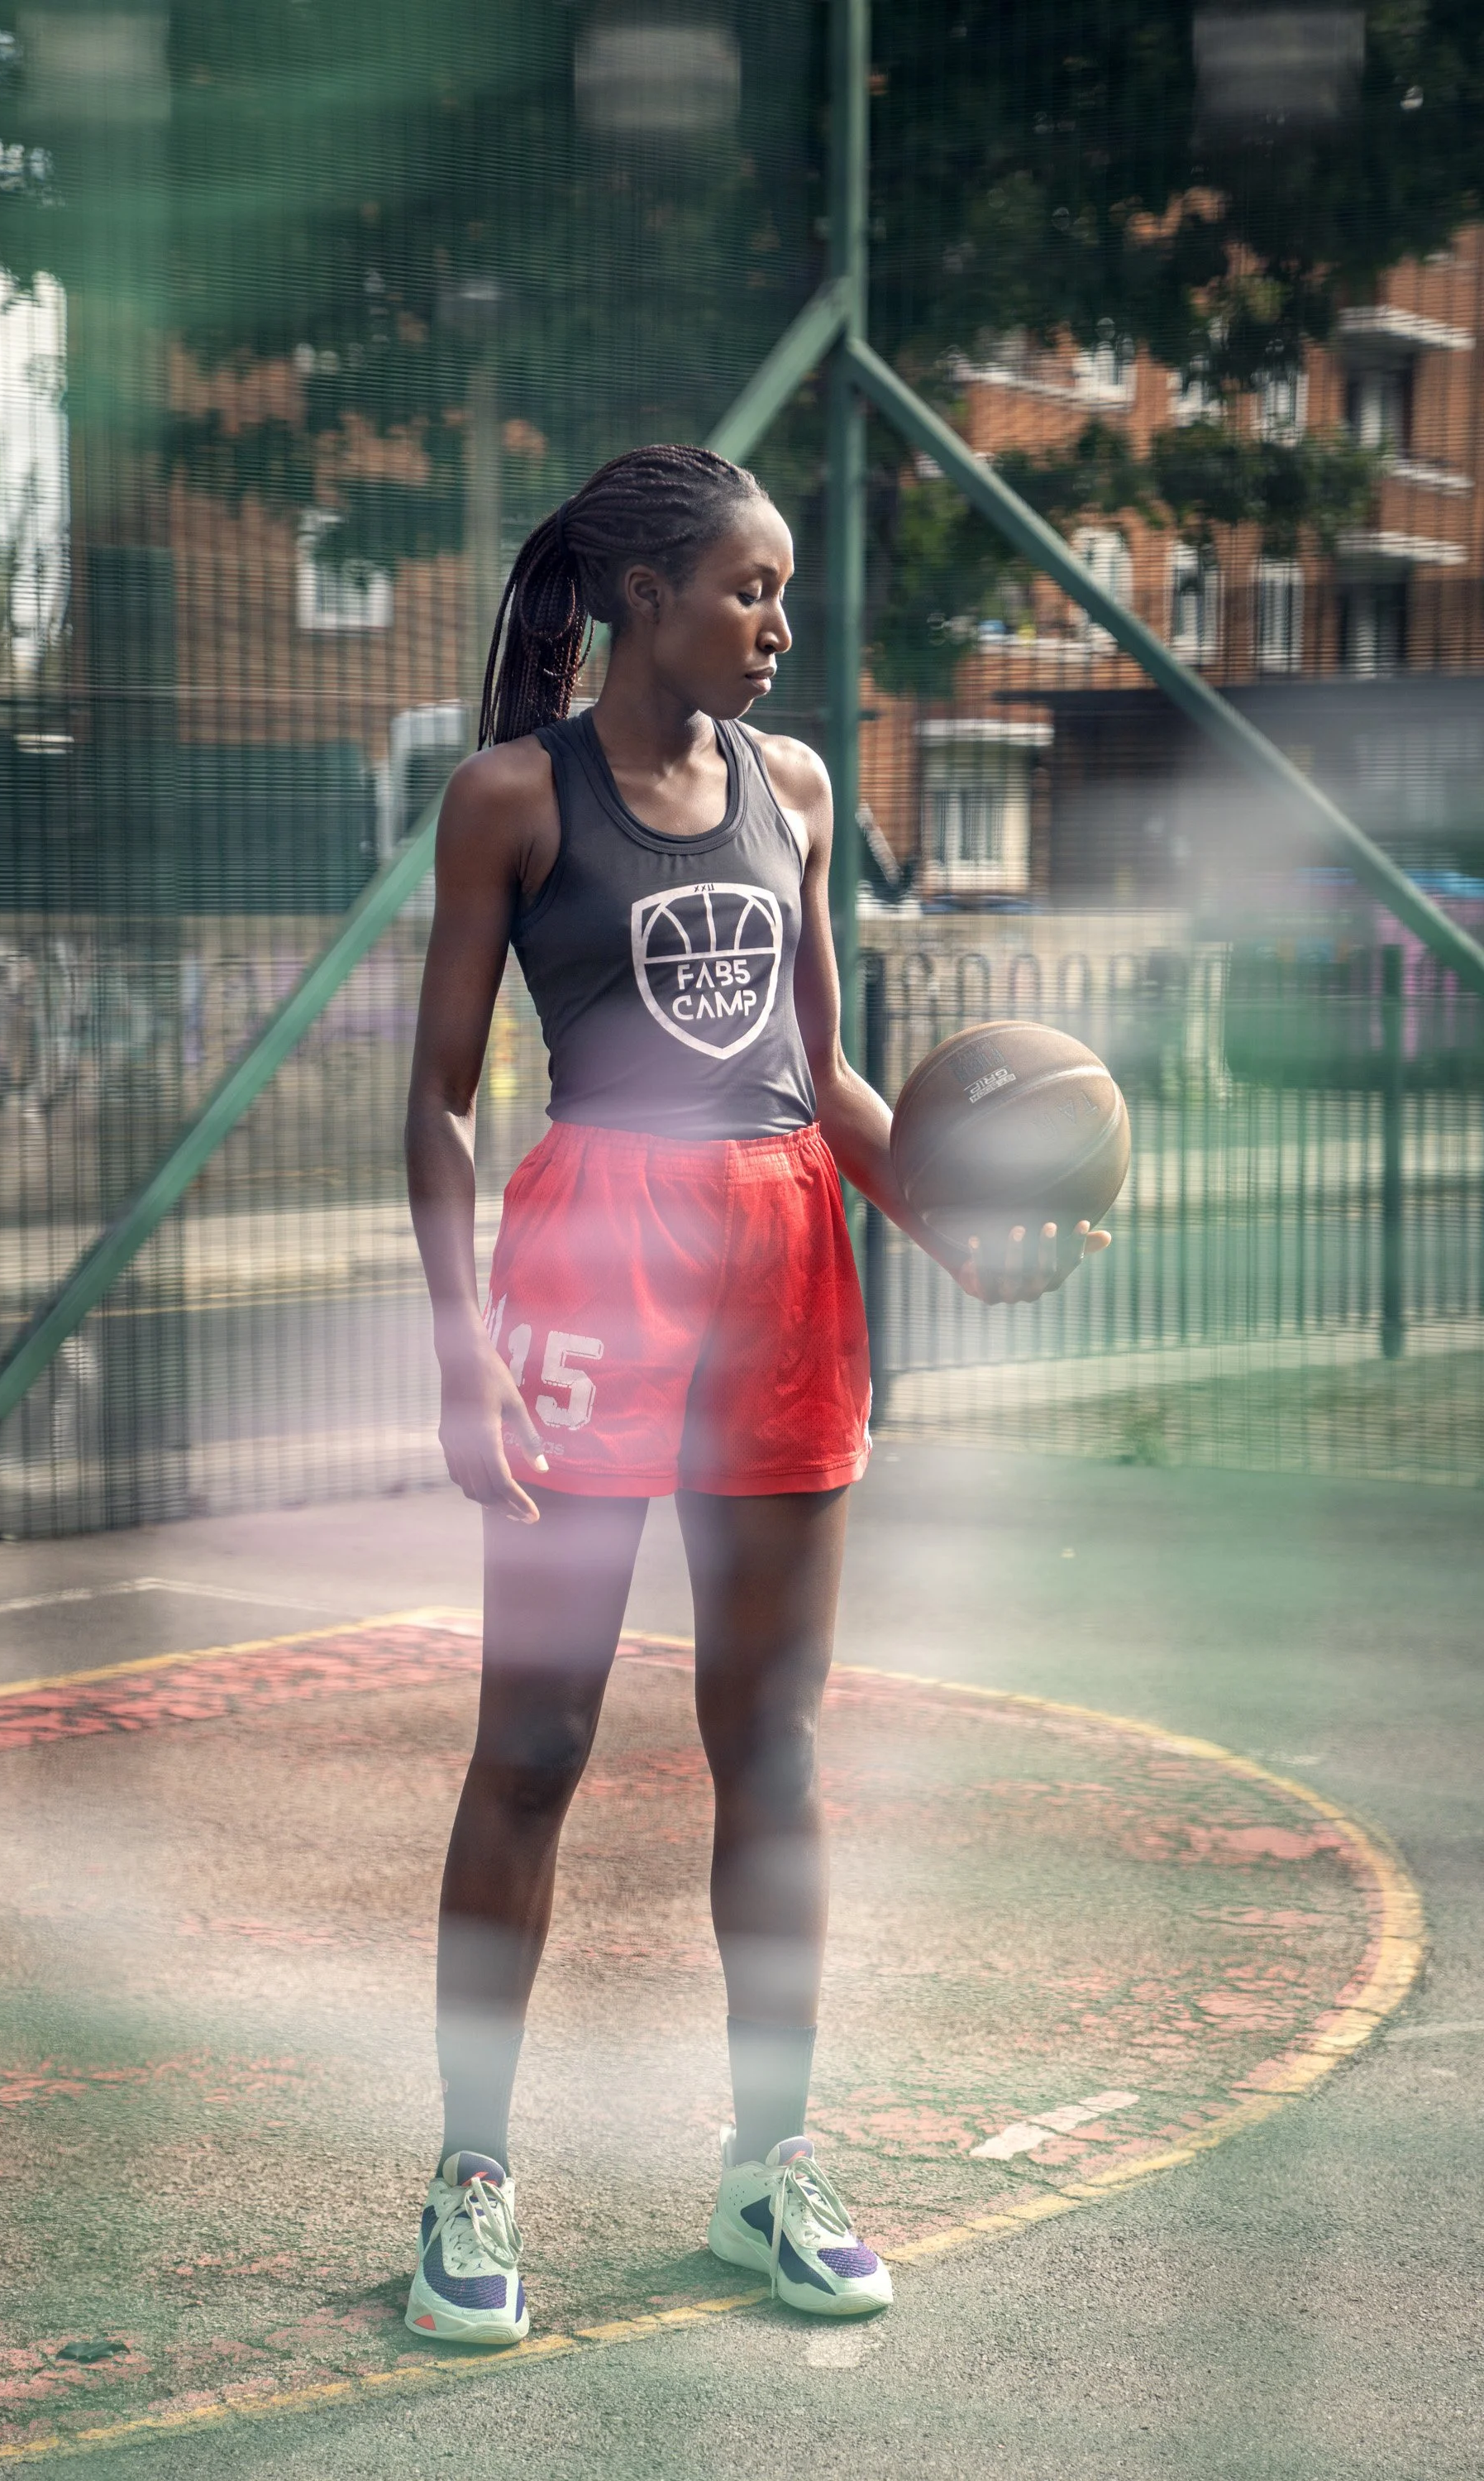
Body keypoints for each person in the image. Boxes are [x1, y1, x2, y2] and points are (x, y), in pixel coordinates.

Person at [403, 444, 1109, 2344]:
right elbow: (440, 1100)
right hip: (589, 1273)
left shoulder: (795, 790)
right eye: (747, 589)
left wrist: (947, 1230)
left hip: (781, 1264)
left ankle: (768, 2167)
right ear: (642, 596)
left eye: (781, 590)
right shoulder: (507, 800)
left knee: (773, 1748)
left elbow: (821, 1071)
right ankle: (468, 2176)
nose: (779, 626)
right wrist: (462, 1352)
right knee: (535, 1744)